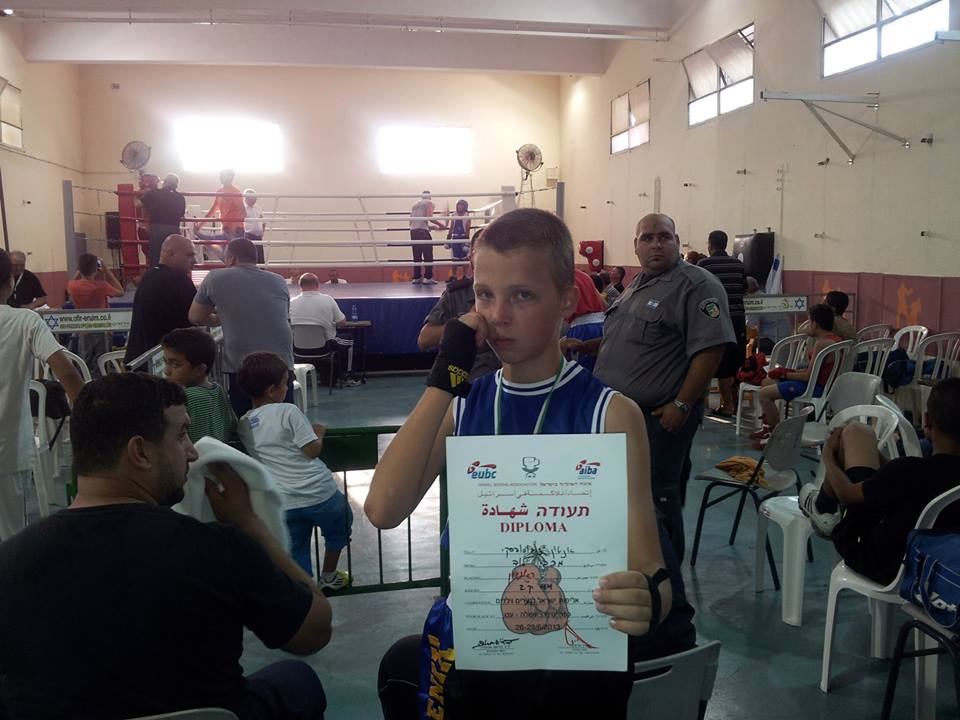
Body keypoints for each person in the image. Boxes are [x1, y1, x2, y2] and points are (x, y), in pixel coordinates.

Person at [368, 208, 695, 720]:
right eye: (484, 295)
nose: (497, 315)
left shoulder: (611, 414)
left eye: (522, 295)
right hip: (479, 657)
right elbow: (383, 509)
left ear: (565, 299)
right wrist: (444, 379)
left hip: (577, 669)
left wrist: (648, 600)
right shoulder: (463, 406)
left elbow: (652, 569)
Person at [0, 373, 332, 719]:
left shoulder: (10, 562)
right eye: (182, 434)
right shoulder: (215, 549)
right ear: (140, 452)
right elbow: (314, 630)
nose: (192, 451)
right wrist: (250, 524)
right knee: (297, 680)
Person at [582, 214, 734, 560]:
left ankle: (666, 580)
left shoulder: (696, 286)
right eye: (647, 238)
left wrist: (682, 404)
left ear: (677, 242)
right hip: (621, 416)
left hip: (657, 417)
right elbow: (626, 337)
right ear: (635, 246)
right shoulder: (637, 283)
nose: (656, 245)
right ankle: (637, 566)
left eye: (664, 237)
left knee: (657, 498)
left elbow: (711, 349)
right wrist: (586, 347)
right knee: (628, 497)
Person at [799, 378, 960, 584]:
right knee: (858, 433)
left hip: (882, 562)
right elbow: (894, 480)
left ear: (927, 420)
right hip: (936, 566)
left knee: (851, 435)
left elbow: (846, 494)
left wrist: (828, 453)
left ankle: (822, 506)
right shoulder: (910, 471)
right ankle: (823, 507)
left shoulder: (910, 470)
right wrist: (872, 454)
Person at [237, 352, 353, 591]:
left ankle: (305, 590)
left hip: (284, 502)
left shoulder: (243, 424)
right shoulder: (288, 411)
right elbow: (311, 450)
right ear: (272, 390)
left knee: (296, 547)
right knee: (340, 526)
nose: (287, 387)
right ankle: (329, 576)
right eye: (285, 383)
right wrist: (318, 433)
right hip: (320, 494)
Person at [0, 249, 85, 540]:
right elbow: (66, 371)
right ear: (10, 281)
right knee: (10, 537)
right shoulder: (26, 321)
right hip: (7, 450)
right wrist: (89, 414)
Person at [189, 238, 295, 417]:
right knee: (284, 419)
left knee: (245, 421)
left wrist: (220, 318)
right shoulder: (279, 280)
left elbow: (195, 317)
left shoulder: (215, 277)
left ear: (231, 258)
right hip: (282, 361)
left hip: (243, 363)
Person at [753, 303, 843, 444]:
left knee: (764, 394)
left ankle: (775, 436)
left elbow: (808, 376)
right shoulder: (836, 339)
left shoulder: (822, 344)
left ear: (814, 323)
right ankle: (767, 425)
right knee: (767, 381)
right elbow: (813, 371)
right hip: (822, 383)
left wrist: (784, 374)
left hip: (814, 387)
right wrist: (790, 372)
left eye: (809, 320)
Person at [417, 238, 500, 381]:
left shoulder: (517, 295)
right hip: (470, 380)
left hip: (512, 379)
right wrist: (463, 323)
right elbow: (424, 339)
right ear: (471, 258)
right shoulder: (457, 294)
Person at [123, 234, 201, 365]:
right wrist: (221, 317)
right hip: (163, 362)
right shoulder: (179, 280)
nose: (194, 261)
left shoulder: (149, 276)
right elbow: (198, 317)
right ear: (171, 254)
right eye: (189, 255)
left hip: (139, 359)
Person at [161, 327, 238, 447]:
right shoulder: (218, 389)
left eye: (175, 364)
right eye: (165, 362)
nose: (166, 371)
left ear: (199, 370)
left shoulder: (186, 397)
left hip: (196, 457)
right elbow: (232, 425)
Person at [698, 230, 746, 417]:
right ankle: (730, 404)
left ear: (710, 244)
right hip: (736, 319)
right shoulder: (738, 265)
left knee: (707, 361)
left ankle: (705, 405)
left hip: (713, 319)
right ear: (726, 245)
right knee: (733, 364)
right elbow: (744, 288)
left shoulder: (704, 265)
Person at [290, 273, 354, 384]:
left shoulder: (291, 302)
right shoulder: (328, 300)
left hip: (298, 349)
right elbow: (342, 323)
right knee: (349, 339)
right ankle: (346, 377)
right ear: (317, 285)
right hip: (324, 348)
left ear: (300, 286)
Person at [68, 252, 125, 375]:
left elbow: (70, 286)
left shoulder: (73, 286)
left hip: (83, 329)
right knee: (102, 363)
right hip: (102, 328)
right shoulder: (101, 286)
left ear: (79, 268)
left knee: (85, 362)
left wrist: (80, 270)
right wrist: (107, 271)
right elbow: (121, 291)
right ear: (95, 269)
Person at [560, 269, 606, 374]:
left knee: (580, 373)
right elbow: (604, 303)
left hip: (581, 327)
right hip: (602, 323)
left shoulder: (559, 276)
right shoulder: (585, 276)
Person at [140, 173, 186, 268]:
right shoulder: (180, 197)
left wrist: (141, 193)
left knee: (156, 255)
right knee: (174, 255)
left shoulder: (154, 193)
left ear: (164, 182)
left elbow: (138, 204)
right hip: (174, 228)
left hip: (157, 228)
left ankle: (156, 275)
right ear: (176, 184)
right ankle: (173, 275)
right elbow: (181, 214)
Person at [198, 169, 246, 258]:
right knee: (227, 257)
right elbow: (212, 210)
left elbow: (243, 212)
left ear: (231, 177)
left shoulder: (235, 192)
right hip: (226, 229)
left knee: (233, 257)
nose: (220, 178)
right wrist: (199, 225)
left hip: (236, 230)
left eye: (223, 175)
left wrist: (233, 227)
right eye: (220, 175)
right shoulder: (219, 192)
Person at [409, 190, 445, 285]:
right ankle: (428, 277)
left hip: (413, 231)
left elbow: (411, 222)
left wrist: (428, 227)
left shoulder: (415, 204)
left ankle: (417, 277)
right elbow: (429, 217)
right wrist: (441, 224)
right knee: (428, 253)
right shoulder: (429, 202)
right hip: (422, 231)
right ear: (430, 197)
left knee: (417, 255)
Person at [445, 198, 471, 282]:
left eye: (462, 205)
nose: (460, 207)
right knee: (454, 258)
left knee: (465, 257)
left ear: (465, 206)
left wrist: (466, 241)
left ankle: (465, 276)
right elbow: (451, 227)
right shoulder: (454, 215)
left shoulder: (467, 216)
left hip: (463, 236)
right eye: (459, 205)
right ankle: (453, 276)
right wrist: (448, 239)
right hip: (455, 237)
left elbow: (467, 229)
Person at [244, 188, 267, 264]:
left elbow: (263, 221)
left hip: (258, 237)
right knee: (249, 258)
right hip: (248, 236)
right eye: (253, 197)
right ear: (247, 198)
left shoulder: (258, 207)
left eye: (255, 197)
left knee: (260, 258)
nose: (256, 199)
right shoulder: (242, 209)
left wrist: (262, 232)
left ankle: (261, 270)